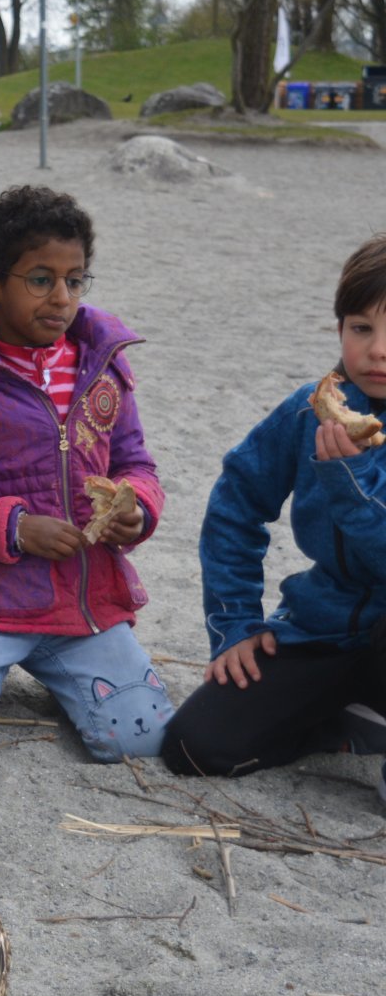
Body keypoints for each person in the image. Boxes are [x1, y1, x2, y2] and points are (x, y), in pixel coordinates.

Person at [0, 185, 172, 762]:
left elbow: (136, 465)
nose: (61, 297)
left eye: (75, 279)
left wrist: (136, 507)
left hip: (82, 605)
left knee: (141, 736)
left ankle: (60, 668)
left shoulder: (103, 366)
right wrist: (14, 528)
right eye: (40, 279)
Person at [162, 234, 386, 800]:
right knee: (194, 747)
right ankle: (344, 722)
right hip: (325, 626)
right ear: (340, 329)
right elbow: (235, 507)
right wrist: (235, 622)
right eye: (362, 328)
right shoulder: (305, 412)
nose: (378, 350)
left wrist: (352, 480)